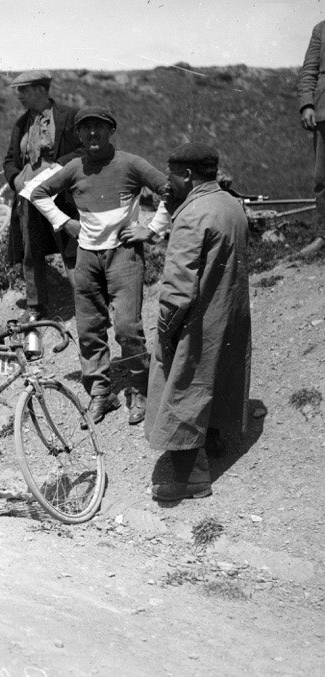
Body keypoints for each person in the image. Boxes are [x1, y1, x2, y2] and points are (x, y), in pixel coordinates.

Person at [31, 106, 170, 425]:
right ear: (78, 135)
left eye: (99, 127)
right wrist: (64, 222)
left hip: (124, 255)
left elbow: (169, 190)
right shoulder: (75, 167)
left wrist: (150, 229)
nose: (92, 134)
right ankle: (100, 394)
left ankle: (139, 387)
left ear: (112, 131)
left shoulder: (131, 164)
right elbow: (38, 193)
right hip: (87, 257)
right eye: (85, 129)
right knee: (89, 329)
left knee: (126, 328)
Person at [140, 143, 251, 501]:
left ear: (187, 174)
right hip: (228, 312)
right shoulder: (230, 204)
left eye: (171, 173)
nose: (167, 182)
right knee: (217, 375)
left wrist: (166, 331)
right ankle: (213, 436)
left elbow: (177, 287)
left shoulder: (192, 215)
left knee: (182, 387)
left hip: (197, 320)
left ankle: (191, 479)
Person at [2, 70, 81, 321]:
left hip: (60, 194)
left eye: (23, 89)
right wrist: (15, 179)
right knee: (30, 249)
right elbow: (9, 160)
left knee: (71, 245)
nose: (19, 95)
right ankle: (36, 306)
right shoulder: (21, 123)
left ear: (40, 89)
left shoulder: (68, 116)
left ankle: (85, 301)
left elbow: (82, 149)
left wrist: (59, 167)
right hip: (28, 196)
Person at [298, 19, 325, 257]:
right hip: (324, 111)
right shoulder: (321, 29)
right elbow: (309, 70)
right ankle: (322, 236)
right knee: (322, 177)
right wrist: (307, 104)